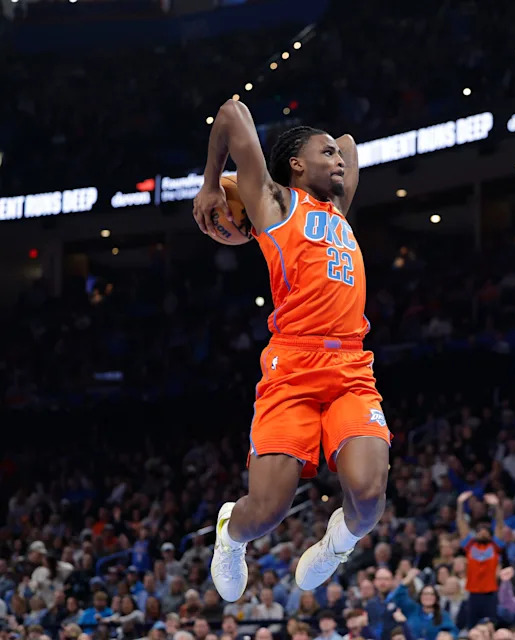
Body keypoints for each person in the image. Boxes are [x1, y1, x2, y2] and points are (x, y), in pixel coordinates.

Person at [193, 102, 392, 601]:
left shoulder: (338, 206)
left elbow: (346, 139)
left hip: (350, 365)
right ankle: (228, 537)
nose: (340, 159)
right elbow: (232, 114)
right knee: (265, 511)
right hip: (294, 367)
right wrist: (213, 183)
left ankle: (336, 543)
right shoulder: (273, 206)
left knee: (368, 500)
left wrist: (325, 151)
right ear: (297, 166)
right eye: (323, 154)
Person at [458, 493, 506, 627]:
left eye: (486, 530)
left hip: (490, 594)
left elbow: (500, 526)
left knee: (491, 626)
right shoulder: (470, 545)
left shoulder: (495, 546)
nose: (483, 532)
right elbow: (461, 525)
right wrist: (460, 504)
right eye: (479, 530)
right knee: (472, 628)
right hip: (473, 594)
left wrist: (497, 506)